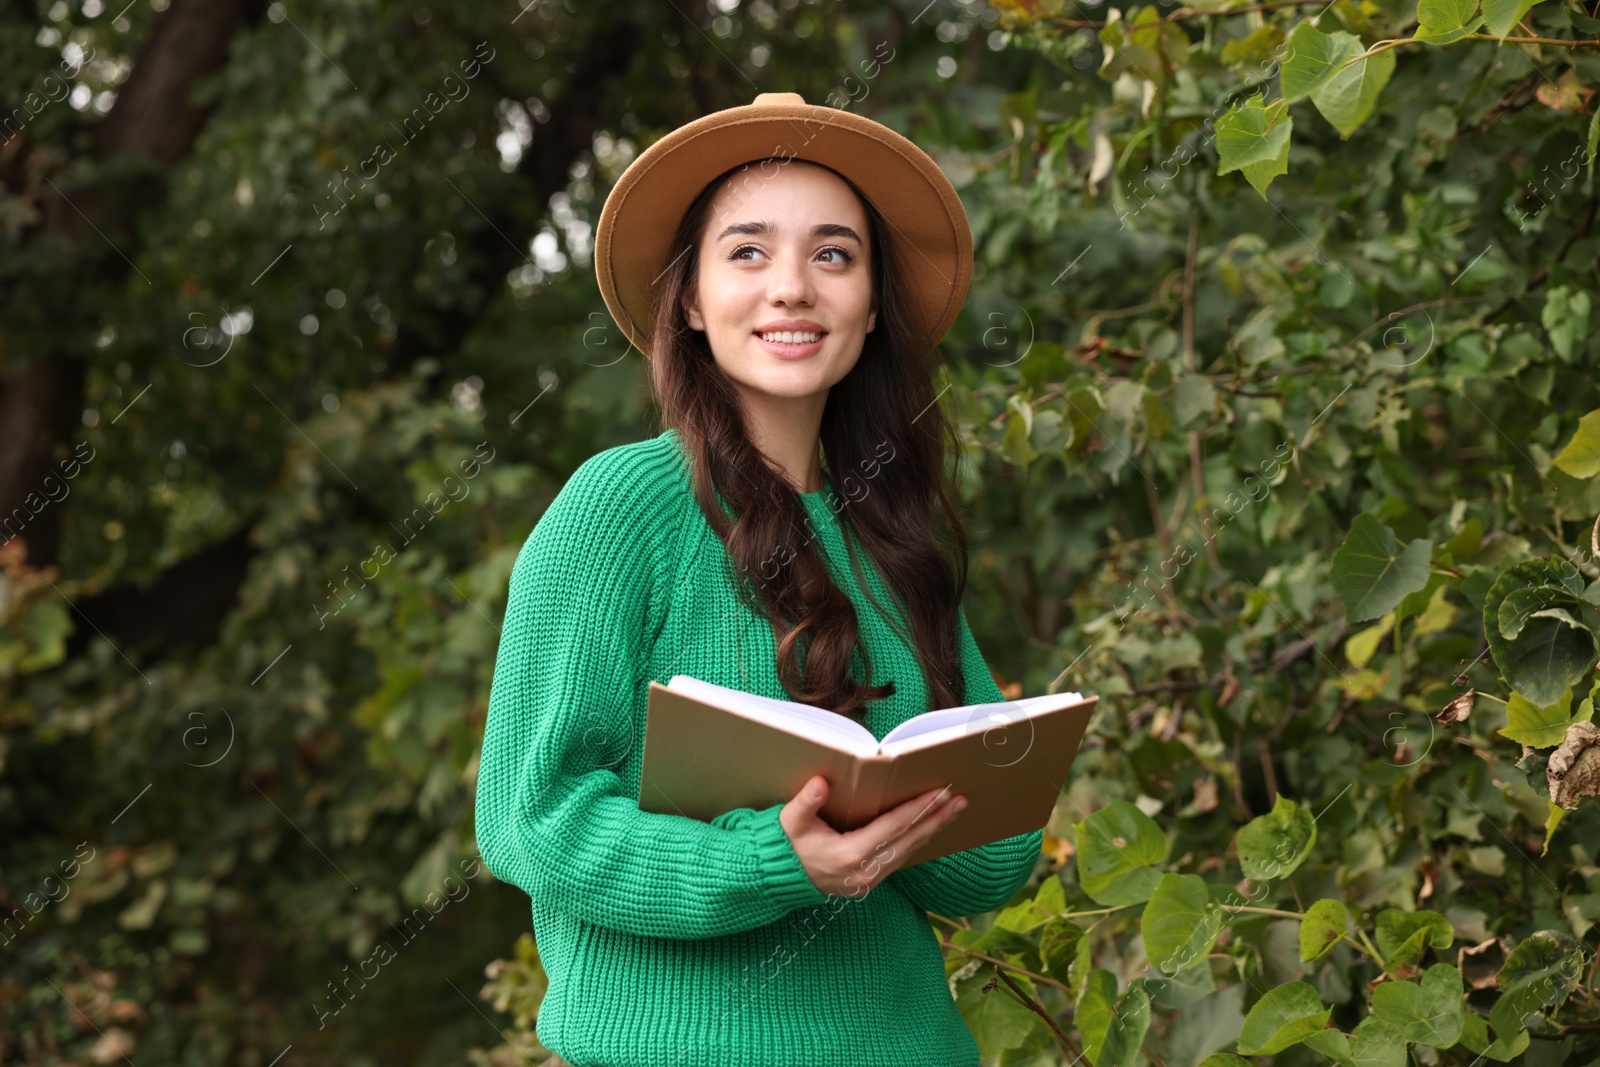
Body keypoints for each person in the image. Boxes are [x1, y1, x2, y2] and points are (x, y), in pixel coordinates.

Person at [474, 92, 1043, 1067]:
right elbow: (528, 819)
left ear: (870, 307)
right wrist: (775, 859)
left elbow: (988, 868)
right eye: (746, 251)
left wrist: (934, 802)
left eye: (833, 254)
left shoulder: (894, 531)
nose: (792, 287)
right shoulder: (620, 507)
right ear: (690, 300)